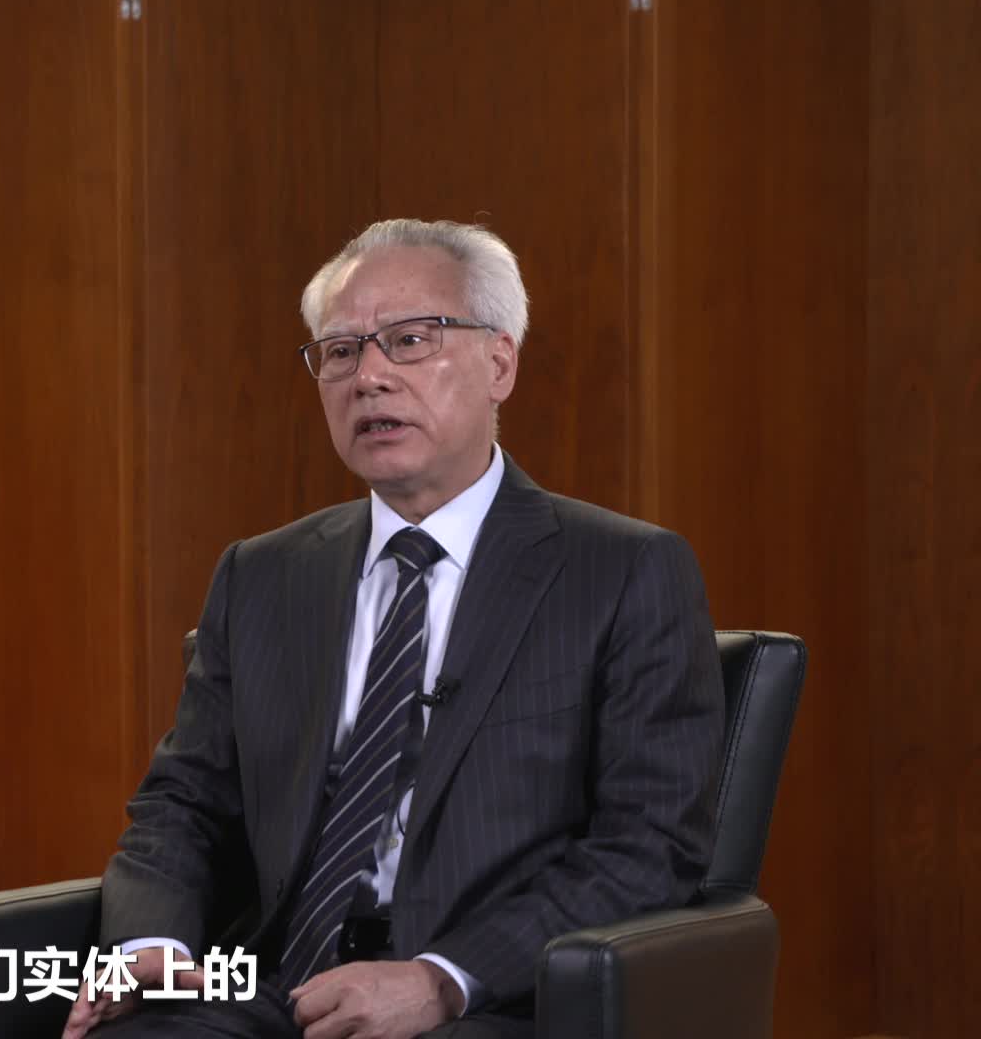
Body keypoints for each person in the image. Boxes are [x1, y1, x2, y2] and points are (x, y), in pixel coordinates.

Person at [64, 219, 724, 1039]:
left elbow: (649, 846)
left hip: (482, 1002)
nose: (370, 377)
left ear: (500, 364)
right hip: (270, 987)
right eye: (341, 352)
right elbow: (183, 802)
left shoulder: (621, 572)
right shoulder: (262, 575)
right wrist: (151, 945)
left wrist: (444, 978)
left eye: (411, 340)